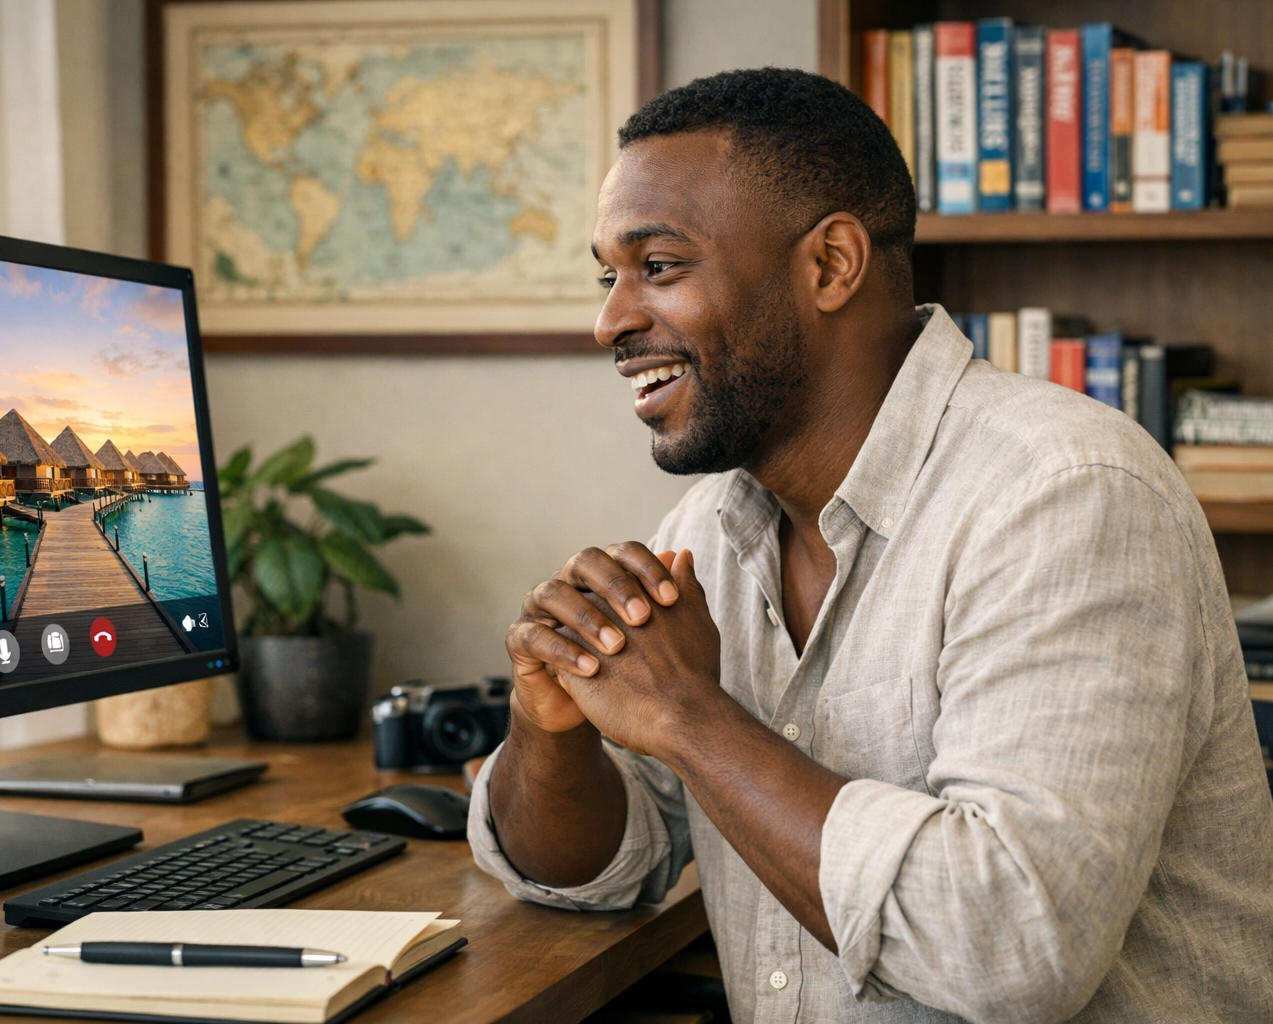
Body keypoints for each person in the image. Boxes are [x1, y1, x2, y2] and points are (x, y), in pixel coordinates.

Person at [467, 68, 1273, 1023]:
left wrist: (688, 717)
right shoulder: (708, 536)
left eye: (661, 267)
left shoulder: (1066, 495)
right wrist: (548, 724)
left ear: (831, 264)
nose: (611, 320)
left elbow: (1012, 944)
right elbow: (602, 872)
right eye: (609, 276)